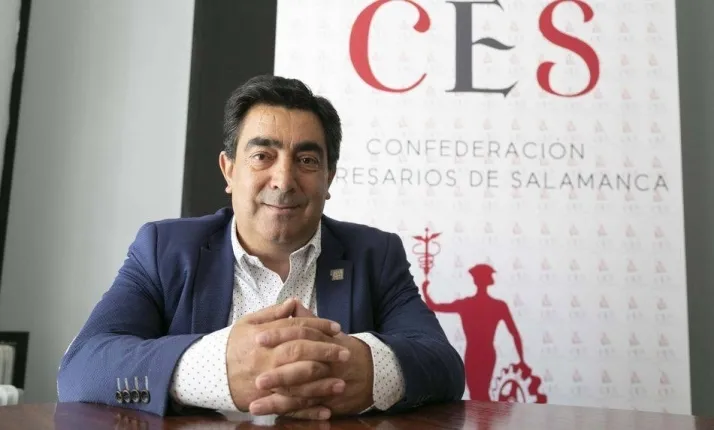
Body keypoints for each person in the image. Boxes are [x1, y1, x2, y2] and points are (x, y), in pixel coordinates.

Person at [56, 75, 465, 419]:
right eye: (262, 156)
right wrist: (215, 370)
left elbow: (444, 366)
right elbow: (81, 368)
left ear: (328, 179)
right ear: (229, 170)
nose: (284, 180)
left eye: (307, 161)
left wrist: (370, 370)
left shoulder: (375, 255)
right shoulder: (164, 250)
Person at [421, 264, 523, 402]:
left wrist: (425, 290)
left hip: (475, 353)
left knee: (478, 394)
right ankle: (484, 416)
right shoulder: (498, 305)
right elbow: (514, 333)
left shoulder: (467, 304)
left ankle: (484, 416)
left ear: (475, 280)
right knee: (479, 394)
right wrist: (521, 360)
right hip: (484, 353)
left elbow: (434, 306)